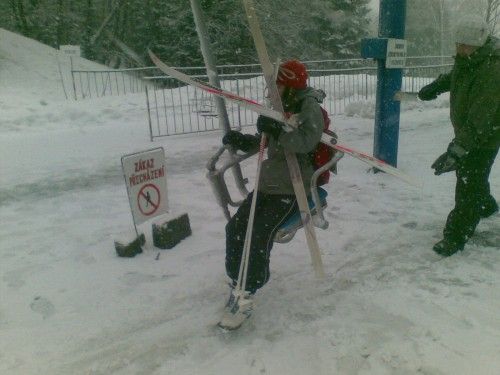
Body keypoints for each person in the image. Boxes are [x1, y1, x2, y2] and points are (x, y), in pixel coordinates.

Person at [219, 60, 326, 327]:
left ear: (289, 84)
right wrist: (247, 140)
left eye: (276, 84)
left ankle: (248, 290)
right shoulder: (281, 106)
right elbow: (269, 141)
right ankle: (237, 280)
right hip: (269, 184)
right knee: (235, 228)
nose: (271, 90)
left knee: (258, 234)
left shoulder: (308, 106)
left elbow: (307, 140)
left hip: (293, 187)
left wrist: (279, 128)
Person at [418, 15, 499, 256]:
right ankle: (486, 205)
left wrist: (456, 150)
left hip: (486, 135)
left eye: (465, 45)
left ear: (479, 43)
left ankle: (455, 236)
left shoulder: (492, 70)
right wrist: (435, 87)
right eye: (458, 44)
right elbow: (456, 75)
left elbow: (480, 118)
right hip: (472, 132)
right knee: (474, 175)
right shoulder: (471, 58)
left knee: (467, 183)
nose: (460, 49)